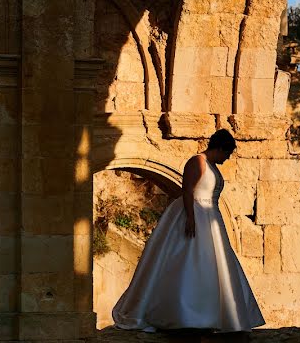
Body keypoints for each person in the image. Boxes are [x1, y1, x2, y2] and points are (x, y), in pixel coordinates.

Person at [112, 129, 265, 332]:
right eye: (226, 153)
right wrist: (191, 217)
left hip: (212, 217)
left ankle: (215, 316)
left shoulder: (211, 165)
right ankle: (184, 315)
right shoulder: (198, 161)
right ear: (219, 148)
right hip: (195, 213)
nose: (227, 158)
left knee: (216, 264)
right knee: (191, 261)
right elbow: (187, 189)